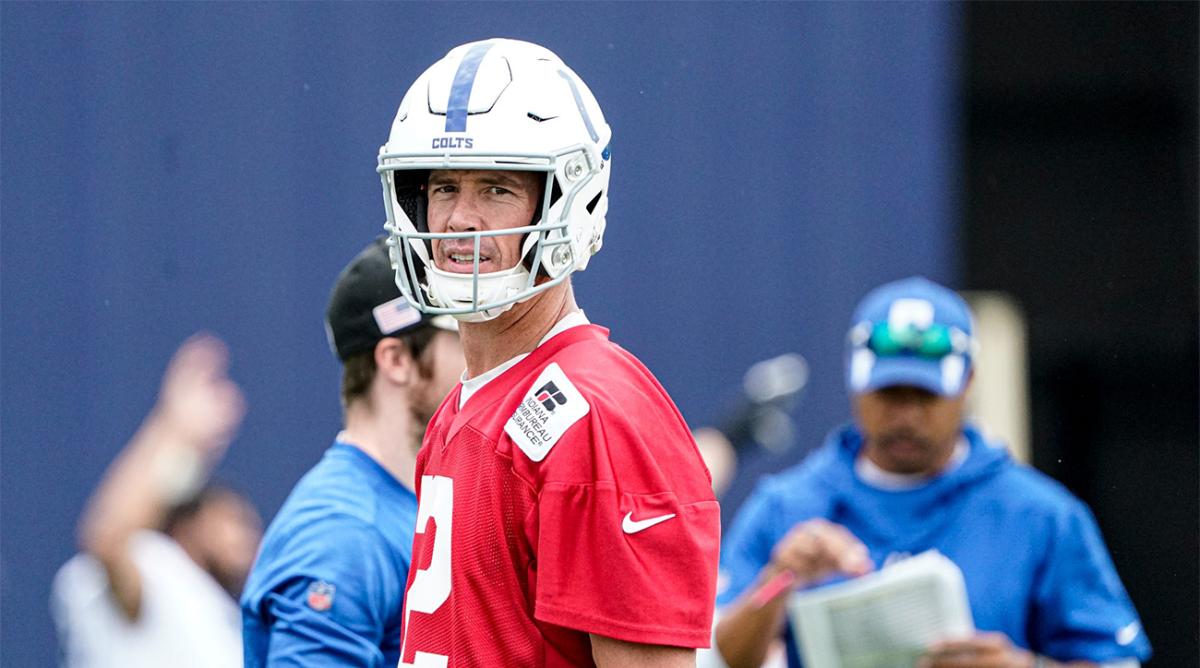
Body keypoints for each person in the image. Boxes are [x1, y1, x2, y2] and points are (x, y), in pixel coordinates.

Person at [377, 38, 721, 667]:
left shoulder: (595, 414)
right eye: (444, 186)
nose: (458, 219)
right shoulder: (466, 401)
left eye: (498, 189)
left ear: (570, 201)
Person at [713, 277, 1151, 668]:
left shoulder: (1041, 516)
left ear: (968, 382)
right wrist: (778, 581)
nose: (906, 415)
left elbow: (1116, 660)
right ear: (853, 379)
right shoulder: (787, 506)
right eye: (889, 392)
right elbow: (724, 660)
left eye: (925, 395)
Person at [240, 237, 464, 667]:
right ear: (397, 360)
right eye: (460, 336)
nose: (480, 356)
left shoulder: (401, 506)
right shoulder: (344, 535)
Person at [51, 334, 261, 668]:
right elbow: (107, 537)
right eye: (228, 521)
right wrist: (177, 437)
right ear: (187, 526)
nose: (244, 537)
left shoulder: (217, 616)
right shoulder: (154, 568)